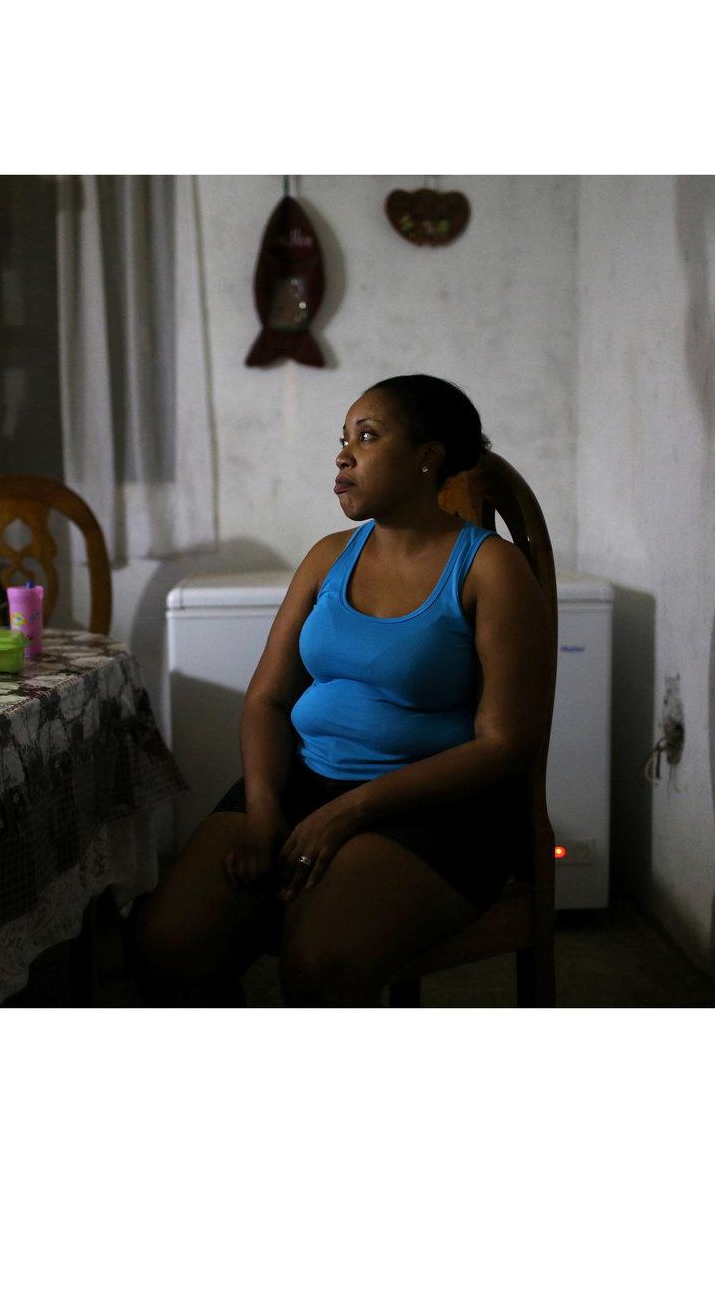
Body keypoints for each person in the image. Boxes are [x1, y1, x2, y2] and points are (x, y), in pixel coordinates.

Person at [132, 375, 546, 1006]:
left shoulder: (490, 567)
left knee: (320, 957)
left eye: (368, 437)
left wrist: (348, 812)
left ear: (427, 455)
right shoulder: (328, 557)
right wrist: (266, 809)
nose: (343, 455)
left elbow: (504, 743)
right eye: (344, 439)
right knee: (165, 944)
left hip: (435, 807)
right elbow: (266, 700)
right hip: (303, 781)